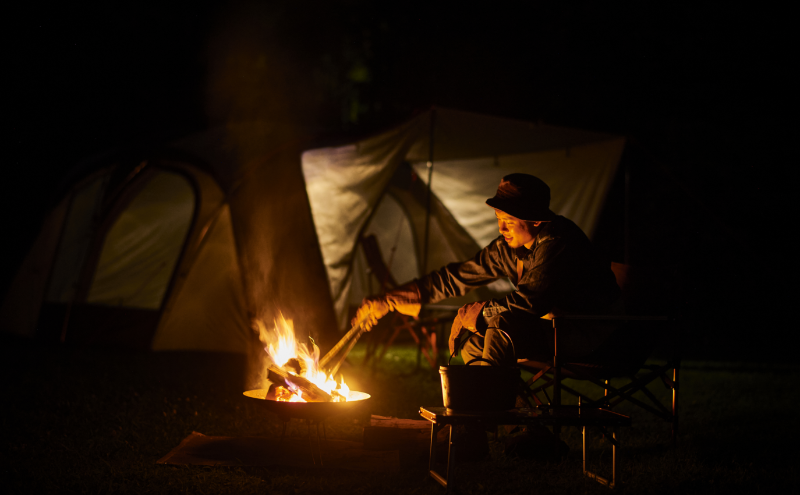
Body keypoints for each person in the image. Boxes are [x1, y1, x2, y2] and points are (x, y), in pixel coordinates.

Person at [353, 173, 622, 367]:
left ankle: (485, 414)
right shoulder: (507, 247)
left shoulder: (557, 242)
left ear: (537, 220)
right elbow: (455, 278)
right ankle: (512, 421)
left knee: (500, 326)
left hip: (590, 336)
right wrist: (389, 300)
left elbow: (530, 303)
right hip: (552, 332)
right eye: (498, 219)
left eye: (509, 221)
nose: (501, 228)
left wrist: (477, 312)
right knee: (473, 342)